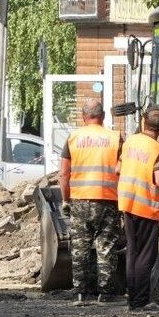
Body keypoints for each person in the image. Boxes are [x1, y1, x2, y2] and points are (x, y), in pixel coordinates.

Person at [59, 99, 123, 304]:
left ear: (83, 117)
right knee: (106, 246)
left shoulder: (73, 138)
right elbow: (123, 169)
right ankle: (105, 294)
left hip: (80, 199)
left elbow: (63, 174)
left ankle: (80, 292)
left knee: (80, 247)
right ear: (103, 116)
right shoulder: (115, 138)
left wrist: (65, 200)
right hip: (107, 199)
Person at [118, 107, 159, 311]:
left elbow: (118, 169)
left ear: (143, 122)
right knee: (146, 256)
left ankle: (132, 298)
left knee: (132, 252)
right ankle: (141, 301)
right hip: (147, 206)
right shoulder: (158, 149)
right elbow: (158, 180)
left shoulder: (130, 141)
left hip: (128, 203)